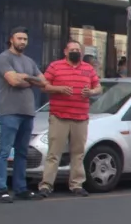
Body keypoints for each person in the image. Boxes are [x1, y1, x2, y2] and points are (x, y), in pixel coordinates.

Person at [38, 41, 102, 198]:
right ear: (65, 52)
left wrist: (92, 92)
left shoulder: (88, 68)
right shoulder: (55, 66)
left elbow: (99, 87)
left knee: (78, 153)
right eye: (72, 49)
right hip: (59, 116)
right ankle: (46, 185)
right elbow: (43, 85)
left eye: (77, 50)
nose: (75, 52)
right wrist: (58, 89)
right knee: (54, 152)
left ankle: (76, 185)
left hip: (80, 117)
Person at [0, 27, 46, 203]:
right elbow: (13, 81)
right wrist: (29, 79)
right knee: (4, 151)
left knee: (22, 152)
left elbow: (44, 81)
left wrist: (25, 78)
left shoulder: (29, 61)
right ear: (11, 39)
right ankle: (1, 189)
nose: (22, 42)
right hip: (10, 111)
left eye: (25, 39)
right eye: (19, 38)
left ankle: (20, 188)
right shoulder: (4, 58)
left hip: (28, 112)